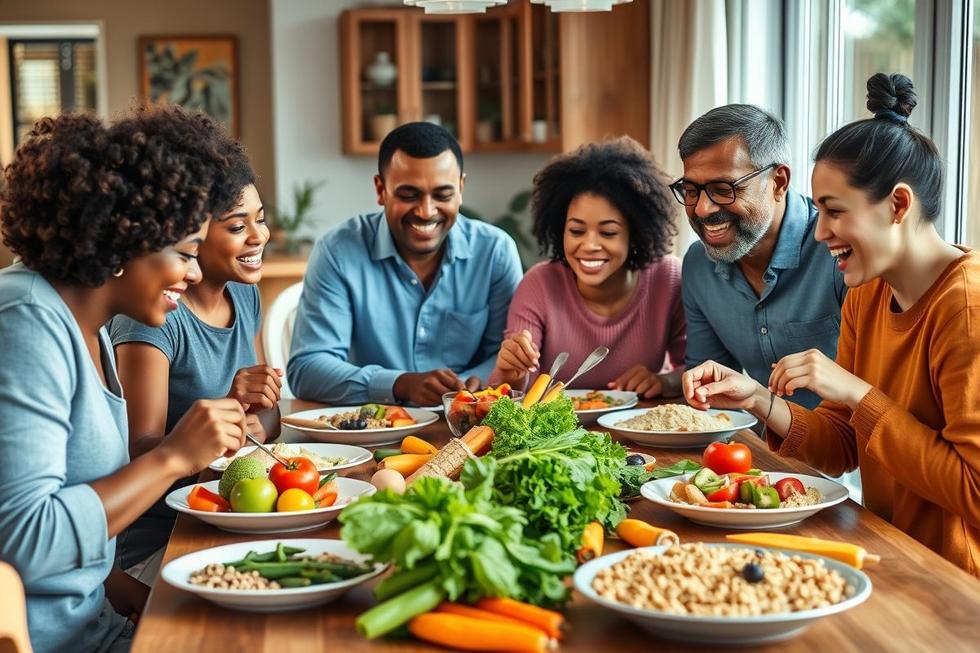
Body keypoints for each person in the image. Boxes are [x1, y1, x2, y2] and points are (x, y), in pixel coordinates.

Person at [682, 73, 980, 577]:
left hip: (951, 583)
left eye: (834, 212)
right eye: (818, 210)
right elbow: (844, 445)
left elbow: (973, 492)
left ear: (898, 206)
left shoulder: (966, 309)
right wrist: (758, 398)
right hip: (883, 552)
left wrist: (858, 394)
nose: (819, 232)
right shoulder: (869, 292)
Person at [0, 108, 248, 653]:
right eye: (185, 252)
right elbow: (25, 540)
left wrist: (131, 594)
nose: (196, 272)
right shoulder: (26, 322)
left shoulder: (93, 328)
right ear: (123, 240)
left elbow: (75, 520)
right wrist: (172, 458)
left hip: (102, 625)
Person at [109, 138, 281, 573]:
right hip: (163, 540)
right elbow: (137, 449)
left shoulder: (246, 296)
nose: (259, 235)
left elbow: (265, 419)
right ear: (191, 236)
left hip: (231, 514)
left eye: (260, 220)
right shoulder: (153, 318)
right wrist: (223, 411)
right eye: (238, 226)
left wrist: (251, 413)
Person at [288, 122, 523, 406]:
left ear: (460, 189)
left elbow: (504, 354)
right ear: (380, 189)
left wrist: (479, 379)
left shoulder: (495, 252)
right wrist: (399, 384)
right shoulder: (337, 252)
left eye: (442, 195)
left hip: (467, 428)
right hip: (369, 434)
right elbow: (307, 369)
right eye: (409, 195)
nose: (426, 211)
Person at [676, 104, 846, 409]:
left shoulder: (840, 254)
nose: (702, 209)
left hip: (847, 452)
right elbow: (709, 391)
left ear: (778, 182)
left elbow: (876, 394)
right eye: (691, 191)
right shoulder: (698, 265)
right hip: (756, 449)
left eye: (722, 188)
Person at [490, 136, 686, 396]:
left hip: (636, 429)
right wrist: (510, 374)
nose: (589, 245)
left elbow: (696, 368)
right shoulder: (540, 284)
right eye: (576, 230)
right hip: (554, 434)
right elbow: (507, 396)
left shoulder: (668, 278)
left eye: (608, 233)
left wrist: (663, 382)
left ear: (636, 234)